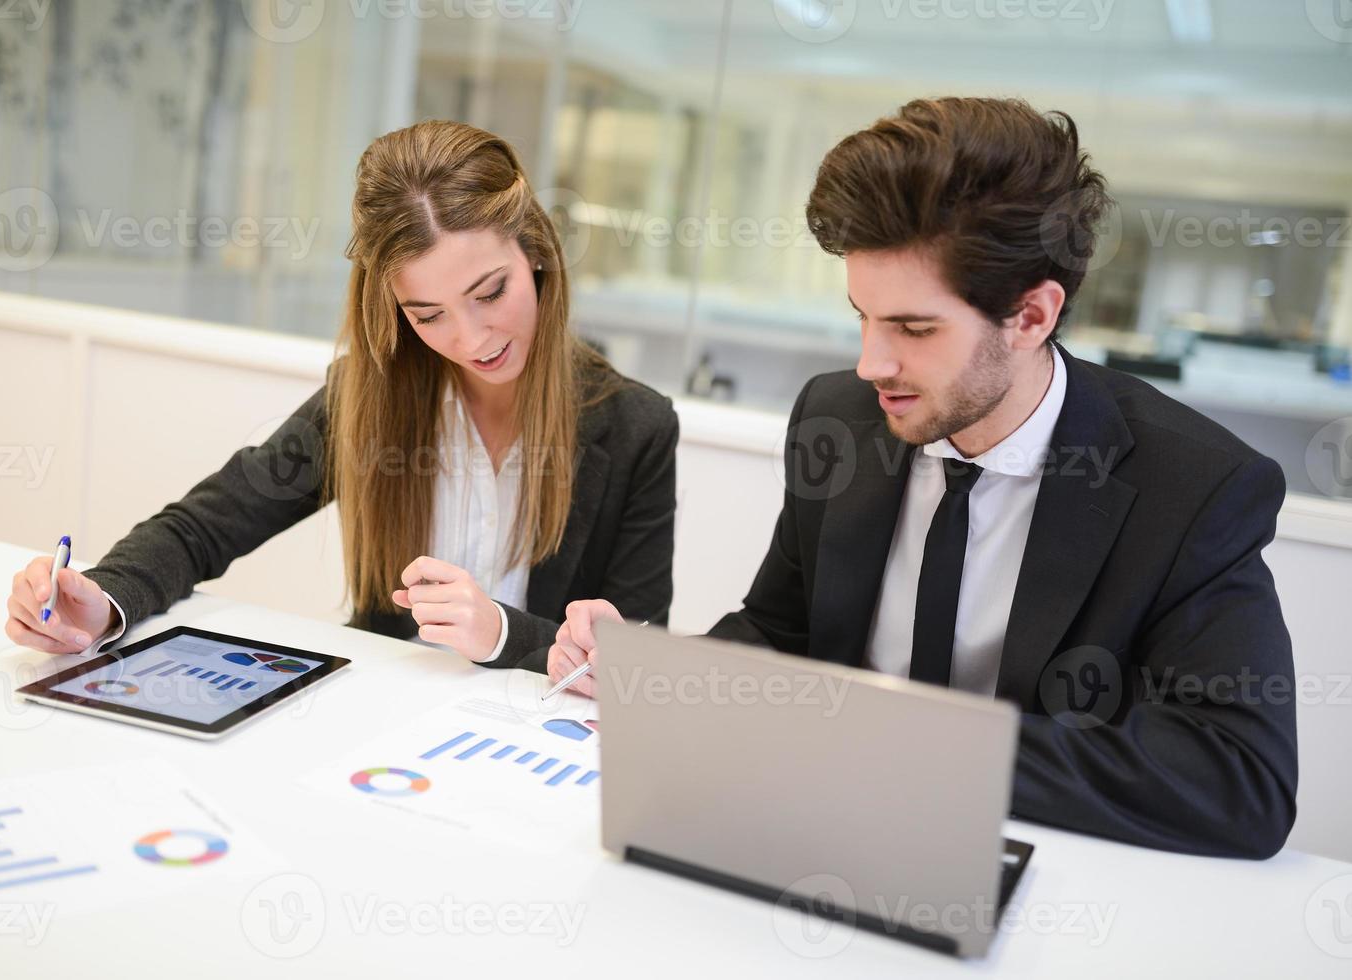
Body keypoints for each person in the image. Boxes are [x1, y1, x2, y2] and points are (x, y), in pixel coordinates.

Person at [550, 97, 1297, 860]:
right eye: (861, 318)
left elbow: (1236, 780)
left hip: (1036, 867)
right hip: (821, 842)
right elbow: (779, 631)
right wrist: (669, 681)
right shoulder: (835, 420)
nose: (872, 363)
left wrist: (903, 748)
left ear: (1032, 316)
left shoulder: (1193, 486)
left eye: (913, 328)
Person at [3, 120, 679, 672]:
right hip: (380, 718)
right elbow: (202, 528)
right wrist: (105, 601)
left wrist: (504, 634)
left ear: (535, 254)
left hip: (533, 743)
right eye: (427, 314)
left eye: (489, 292)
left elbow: (633, 658)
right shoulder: (369, 395)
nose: (472, 338)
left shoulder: (635, 428)